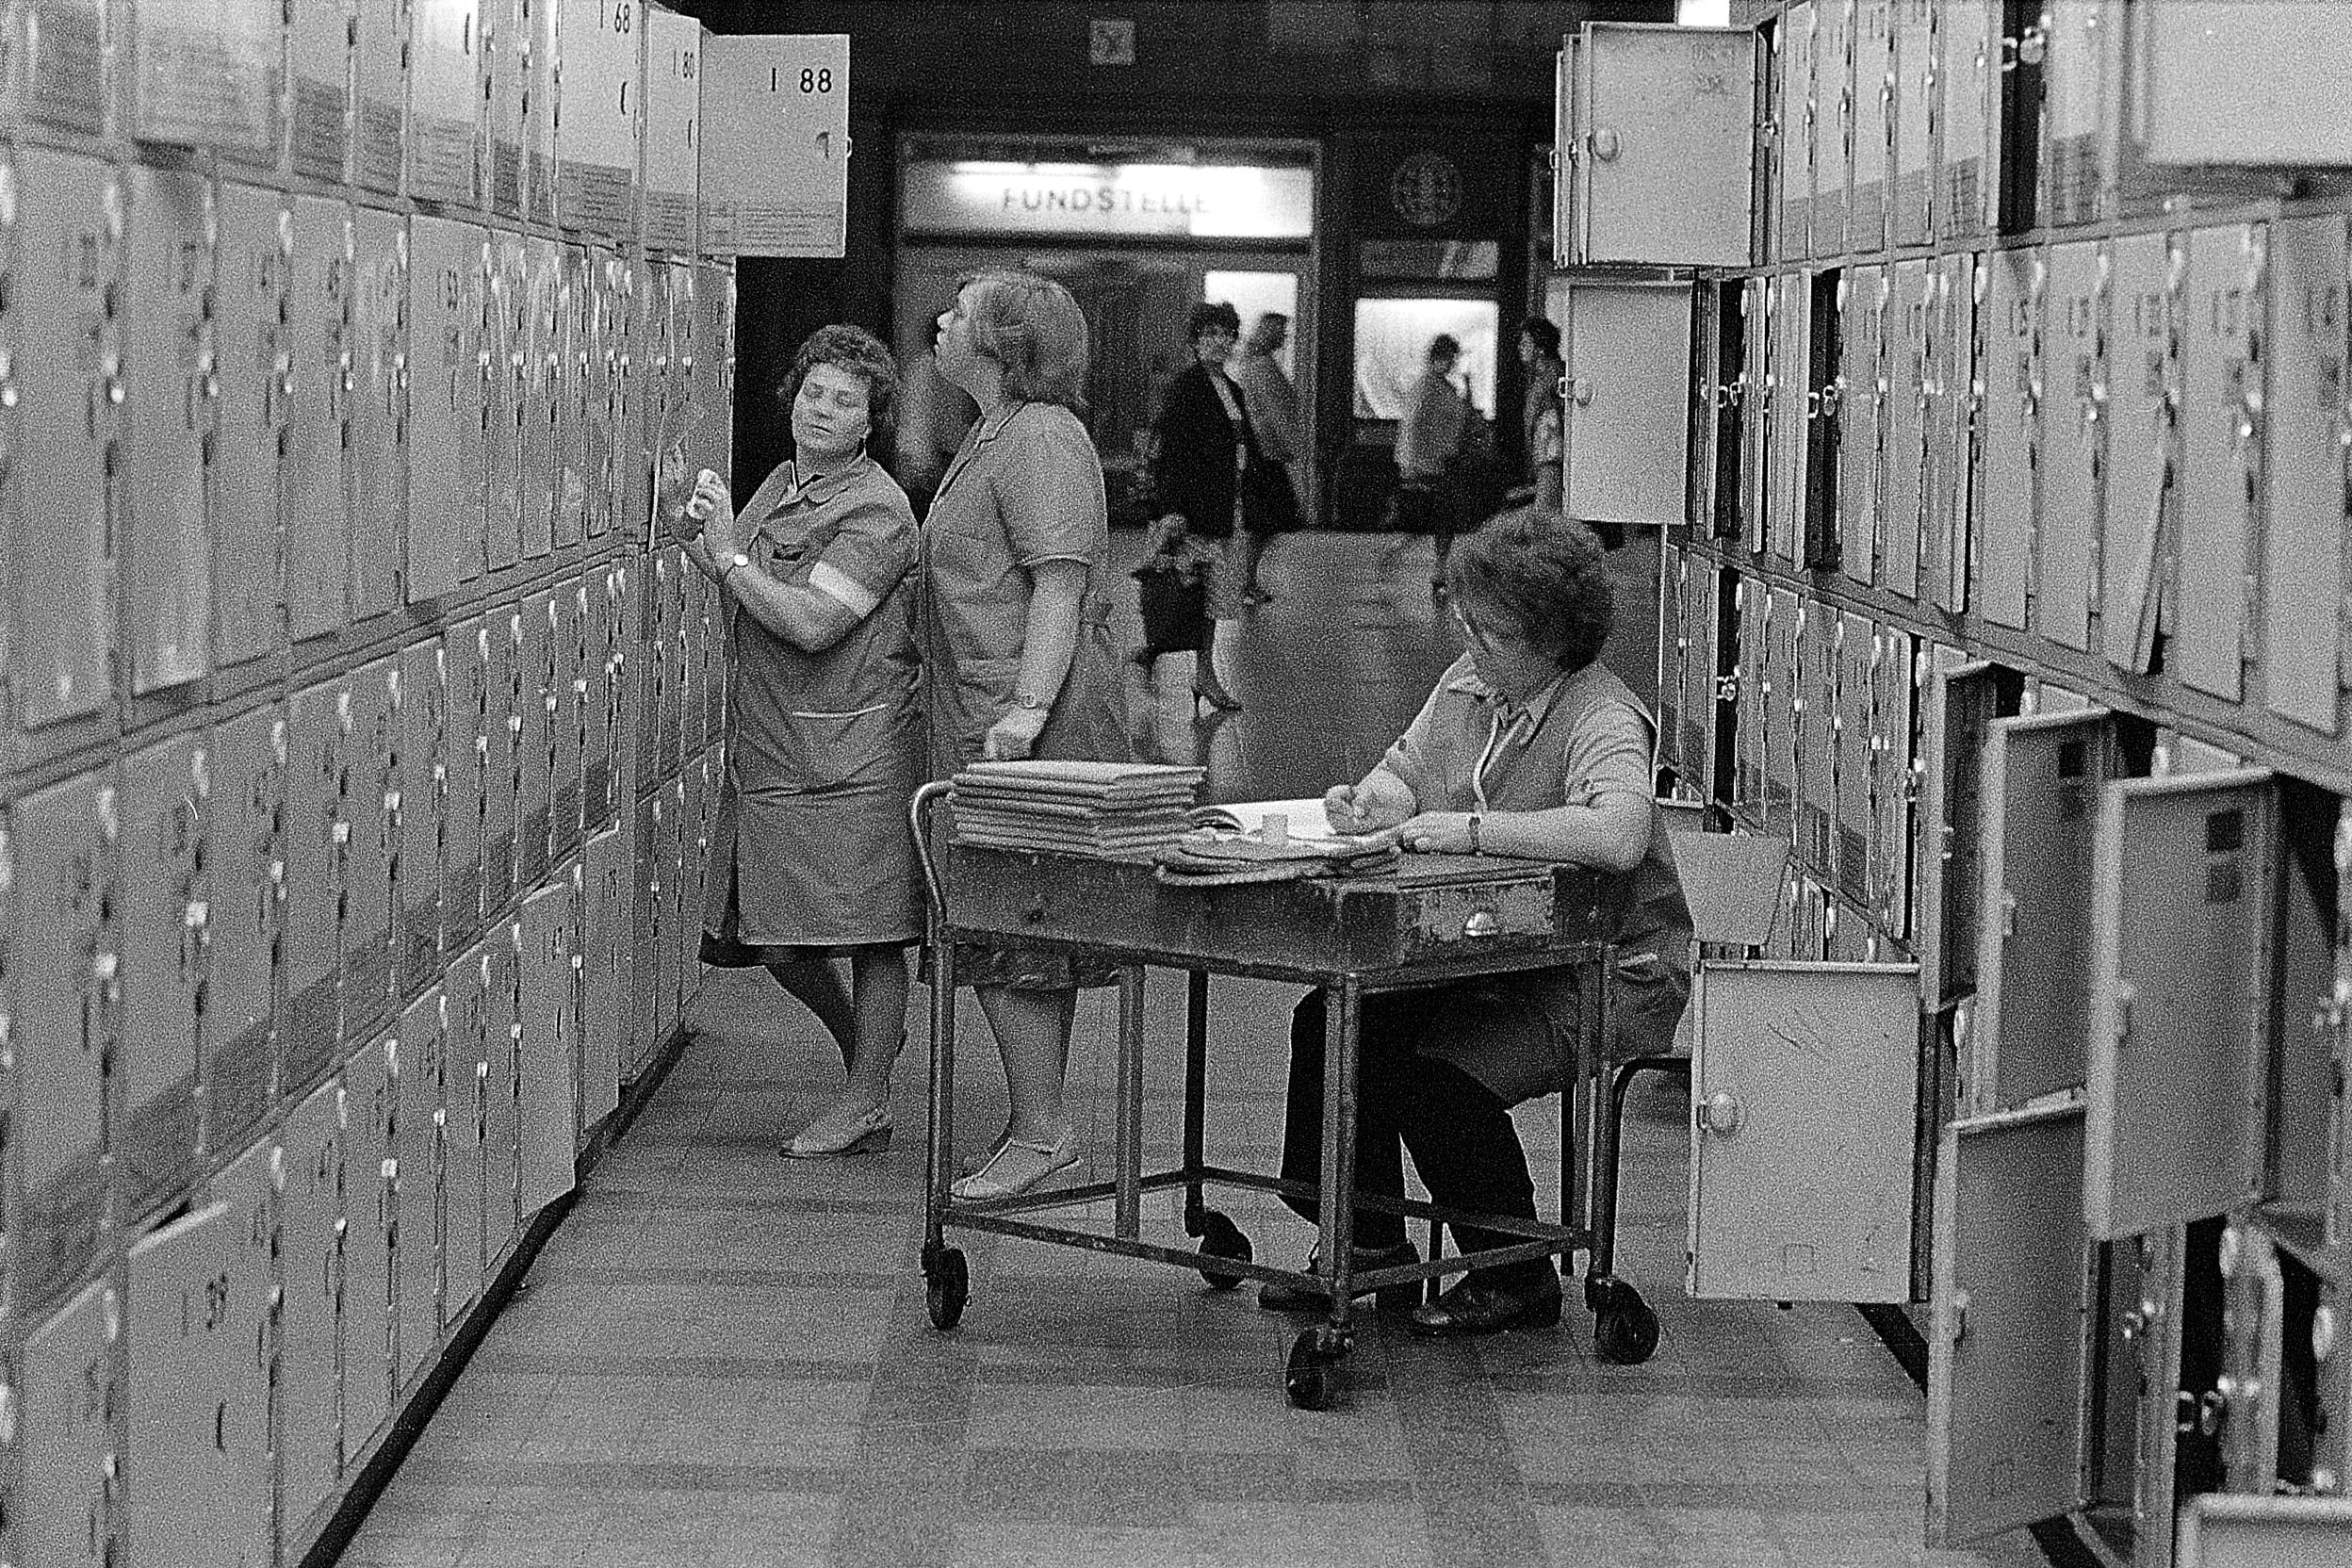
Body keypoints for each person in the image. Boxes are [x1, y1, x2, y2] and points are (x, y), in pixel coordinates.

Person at [1260, 508, 1693, 1334]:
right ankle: (1367, 1243)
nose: (1470, 641)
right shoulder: (1470, 684)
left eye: (1490, 630)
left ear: (1550, 643)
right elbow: (1406, 772)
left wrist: (1469, 830)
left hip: (1599, 967)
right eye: (1467, 620)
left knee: (1436, 1078)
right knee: (1334, 1020)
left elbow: (1618, 832)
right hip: (1493, 947)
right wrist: (1371, 805)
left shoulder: (1600, 715)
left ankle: (1516, 1270)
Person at [676, 325, 923, 1160]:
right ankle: (869, 1061)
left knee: (872, 928)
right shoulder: (783, 484)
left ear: (869, 422)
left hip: (853, 751)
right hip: (776, 747)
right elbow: (743, 575)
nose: (822, 409)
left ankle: (865, 1095)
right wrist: (713, 541)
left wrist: (728, 561)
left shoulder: (877, 510)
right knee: (772, 934)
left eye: (844, 401)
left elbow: (814, 621)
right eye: (813, 392)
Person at [921, 270, 1133, 1201]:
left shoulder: (1042, 436)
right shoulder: (995, 431)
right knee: (1007, 924)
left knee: (1025, 926)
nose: (942, 319)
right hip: (991, 712)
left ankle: (1045, 1133)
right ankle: (1034, 1125)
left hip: (1024, 725)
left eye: (960, 311)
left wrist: (1026, 711)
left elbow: (1058, 581)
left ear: (1001, 344)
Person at [1142, 300, 1257, 713]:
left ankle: (1196, 670)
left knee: (1206, 596)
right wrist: (1171, 508)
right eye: (1209, 334)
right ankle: (1171, 661)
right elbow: (1173, 452)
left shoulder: (1230, 388)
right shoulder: (1188, 387)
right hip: (1192, 511)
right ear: (1195, 341)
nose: (1218, 342)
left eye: (1225, 334)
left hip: (1221, 506)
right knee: (1186, 591)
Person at [1227, 311, 1310, 603]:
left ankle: (1246, 580)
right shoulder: (1262, 368)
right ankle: (1245, 582)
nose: (1285, 336)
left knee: (1263, 522)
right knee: (1264, 522)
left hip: (1260, 452)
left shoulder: (1254, 364)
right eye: (1280, 331)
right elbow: (1277, 413)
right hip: (1265, 453)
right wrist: (1297, 448)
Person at [1394, 333, 1474, 592]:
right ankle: (1438, 569)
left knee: (1442, 519)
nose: (1452, 363)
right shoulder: (1428, 388)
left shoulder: (1437, 386)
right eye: (1450, 357)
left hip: (1437, 463)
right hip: (1430, 466)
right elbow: (1415, 428)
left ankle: (1440, 569)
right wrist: (1412, 465)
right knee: (1438, 518)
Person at [893, 315, 977, 518]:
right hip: (928, 464)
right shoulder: (934, 371)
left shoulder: (921, 367)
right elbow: (936, 423)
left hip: (917, 460)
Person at [1518, 315, 1565, 514]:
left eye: (1525, 342)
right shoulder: (1543, 376)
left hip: (1551, 458)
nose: (1520, 347)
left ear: (1540, 346)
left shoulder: (1552, 375)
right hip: (1546, 459)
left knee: (1545, 517)